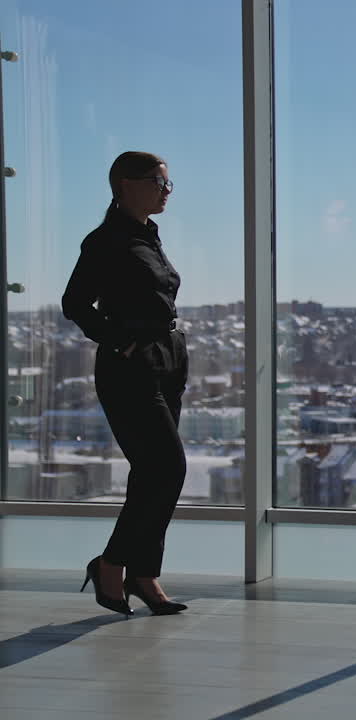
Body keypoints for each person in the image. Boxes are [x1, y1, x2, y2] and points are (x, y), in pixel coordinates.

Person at [63, 151, 188, 616]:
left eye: (168, 183)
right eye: (160, 181)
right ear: (126, 184)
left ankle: (142, 574)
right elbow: (75, 303)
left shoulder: (148, 236)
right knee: (167, 468)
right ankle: (111, 564)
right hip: (130, 366)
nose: (166, 190)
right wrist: (123, 342)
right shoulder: (105, 241)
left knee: (153, 474)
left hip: (168, 359)